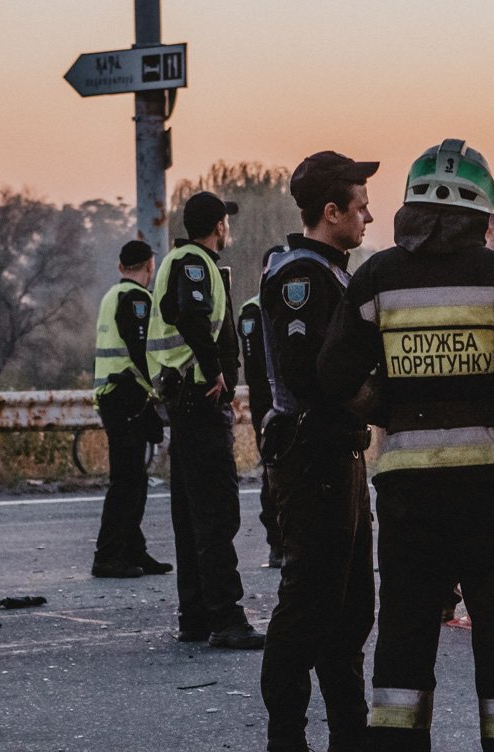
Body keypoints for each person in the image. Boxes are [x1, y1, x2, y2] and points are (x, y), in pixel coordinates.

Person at [319, 138, 494, 752]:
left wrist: (389, 411)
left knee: (404, 631)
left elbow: (335, 376)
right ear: (481, 210)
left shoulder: (377, 276)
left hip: (407, 490)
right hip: (490, 489)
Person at [259, 151, 379, 752]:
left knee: (352, 608)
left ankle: (349, 734)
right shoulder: (300, 276)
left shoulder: (331, 270)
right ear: (330, 212)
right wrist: (373, 395)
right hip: (313, 459)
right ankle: (288, 738)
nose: (369, 217)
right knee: (309, 607)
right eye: (360, 208)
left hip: (339, 457)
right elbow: (312, 378)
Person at [147, 191, 264, 650]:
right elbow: (195, 318)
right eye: (225, 221)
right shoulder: (196, 263)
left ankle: (195, 615)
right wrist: (215, 369)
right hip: (198, 397)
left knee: (191, 514)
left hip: (183, 399)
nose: (227, 228)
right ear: (218, 226)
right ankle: (226, 618)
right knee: (216, 513)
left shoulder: (177, 261)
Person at [91, 240, 169, 579]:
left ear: (121, 266)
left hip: (115, 394)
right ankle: (108, 555)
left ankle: (133, 550)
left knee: (133, 478)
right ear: (150, 267)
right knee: (126, 481)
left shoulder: (112, 296)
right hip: (125, 396)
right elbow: (140, 351)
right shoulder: (137, 299)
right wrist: (160, 388)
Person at [238, 285, 284, 570]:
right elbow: (254, 366)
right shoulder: (253, 308)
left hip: (280, 400)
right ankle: (277, 544)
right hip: (268, 404)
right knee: (273, 474)